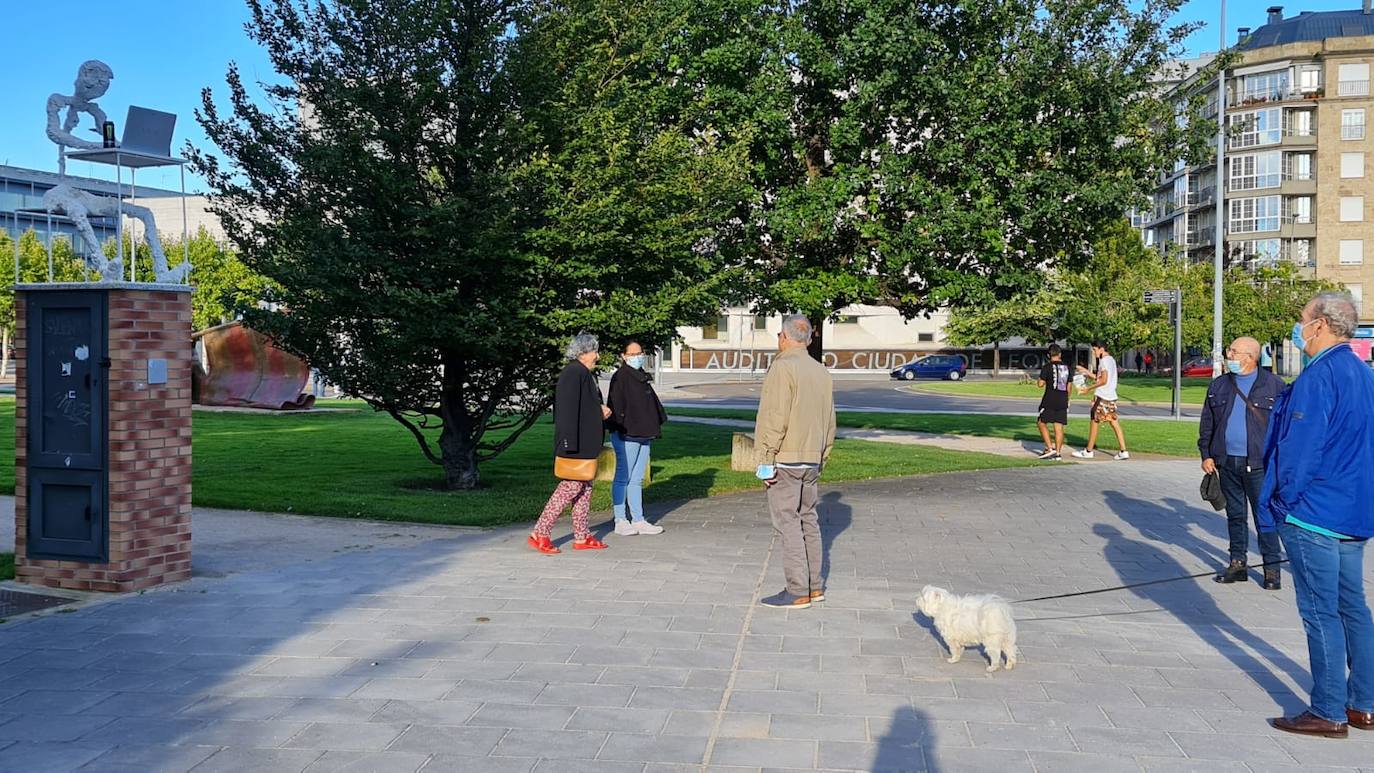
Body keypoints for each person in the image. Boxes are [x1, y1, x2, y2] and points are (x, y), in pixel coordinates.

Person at [1260, 292, 1374, 739]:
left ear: (1321, 324)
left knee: (1320, 611)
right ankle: (1362, 703)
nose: (1299, 328)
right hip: (1352, 511)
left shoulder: (1319, 376)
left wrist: (1282, 503)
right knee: (1353, 609)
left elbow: (1300, 451)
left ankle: (1328, 710)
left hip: (1316, 513)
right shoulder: (1363, 373)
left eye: (1302, 320)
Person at [754, 315, 836, 609]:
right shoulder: (821, 371)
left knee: (788, 523)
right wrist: (823, 454)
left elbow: (775, 416)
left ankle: (797, 589)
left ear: (783, 337)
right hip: (811, 458)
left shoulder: (782, 367)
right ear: (810, 339)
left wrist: (765, 457)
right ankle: (815, 586)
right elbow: (830, 420)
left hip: (786, 457)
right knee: (808, 520)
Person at [1197, 336, 1286, 590]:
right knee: (1235, 516)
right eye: (1229, 350)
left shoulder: (1274, 386)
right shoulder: (1219, 385)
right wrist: (1207, 454)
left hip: (1259, 465)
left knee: (1264, 517)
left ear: (1251, 357)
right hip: (1226, 463)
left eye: (1234, 352)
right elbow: (1208, 423)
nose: (1229, 355)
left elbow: (1284, 428)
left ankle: (1272, 570)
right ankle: (1237, 564)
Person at [528, 333, 611, 555]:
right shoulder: (574, 373)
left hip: (584, 442)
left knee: (585, 487)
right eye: (594, 351)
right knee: (571, 486)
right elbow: (567, 411)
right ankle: (540, 532)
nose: (598, 356)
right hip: (574, 443)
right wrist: (568, 443)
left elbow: (584, 407)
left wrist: (598, 410)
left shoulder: (582, 373)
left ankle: (582, 535)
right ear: (583, 353)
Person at [606, 340, 667, 536]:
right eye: (632, 354)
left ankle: (638, 519)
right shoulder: (621, 377)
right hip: (627, 434)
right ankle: (620, 519)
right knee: (624, 476)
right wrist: (621, 429)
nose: (637, 357)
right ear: (624, 356)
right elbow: (617, 407)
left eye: (639, 353)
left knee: (636, 479)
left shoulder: (641, 377)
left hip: (644, 434)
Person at [1072, 342, 1129, 460]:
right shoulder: (1111, 360)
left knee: (1094, 421)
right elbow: (1101, 378)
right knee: (1113, 421)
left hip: (1102, 396)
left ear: (1101, 349)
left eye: (1095, 349)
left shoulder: (1103, 361)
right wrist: (1086, 372)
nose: (1094, 352)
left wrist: (1088, 389)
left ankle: (1088, 450)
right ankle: (1123, 450)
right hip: (1111, 396)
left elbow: (1103, 381)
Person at [1035, 344, 1071, 461]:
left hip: (1049, 400)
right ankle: (1058, 453)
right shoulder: (1067, 368)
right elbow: (1069, 386)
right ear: (1060, 354)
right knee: (1058, 426)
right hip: (1062, 399)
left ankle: (1050, 448)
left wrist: (1039, 379)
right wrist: (1067, 399)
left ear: (1048, 355)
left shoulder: (1047, 367)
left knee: (1041, 422)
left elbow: (1040, 384)